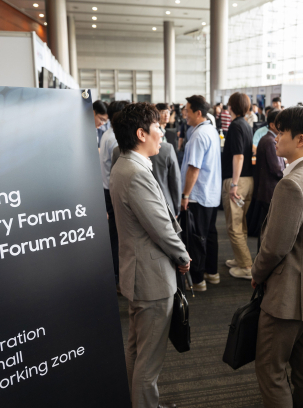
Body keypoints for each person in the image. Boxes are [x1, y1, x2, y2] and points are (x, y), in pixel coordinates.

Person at [251, 106, 303, 408]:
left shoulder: (292, 183)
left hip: (287, 296)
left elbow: (274, 247)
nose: (275, 137)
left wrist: (256, 273)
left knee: (270, 369)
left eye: (281, 132)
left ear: (300, 139)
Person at [109, 102, 190, 408]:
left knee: (137, 350)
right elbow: (161, 229)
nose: (163, 132)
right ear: (141, 133)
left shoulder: (126, 165)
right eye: (158, 127)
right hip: (152, 278)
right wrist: (183, 257)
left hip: (138, 272)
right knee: (149, 361)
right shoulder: (135, 172)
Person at [180, 95, 222, 291]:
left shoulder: (198, 135)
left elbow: (193, 168)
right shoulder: (210, 130)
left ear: (198, 113)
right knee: (209, 234)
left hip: (198, 194)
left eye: (187, 111)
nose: (184, 114)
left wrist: (185, 195)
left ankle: (198, 280)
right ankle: (211, 272)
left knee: (196, 237)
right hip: (210, 192)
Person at [222, 92, 255, 279]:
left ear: (231, 106)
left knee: (234, 225)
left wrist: (234, 183)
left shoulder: (235, 126)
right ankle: (240, 258)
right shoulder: (246, 125)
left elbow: (239, 156)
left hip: (238, 181)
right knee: (240, 223)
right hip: (248, 180)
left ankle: (246, 266)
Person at [100, 100, 128, 288]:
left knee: (115, 234)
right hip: (113, 190)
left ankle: (116, 276)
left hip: (107, 188)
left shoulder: (108, 134)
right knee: (118, 236)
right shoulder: (114, 138)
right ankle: (118, 277)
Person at [252, 110, 284, 249]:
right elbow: (276, 169)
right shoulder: (270, 141)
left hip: (266, 190)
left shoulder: (267, 139)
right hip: (269, 191)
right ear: (272, 124)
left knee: (266, 228)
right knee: (268, 230)